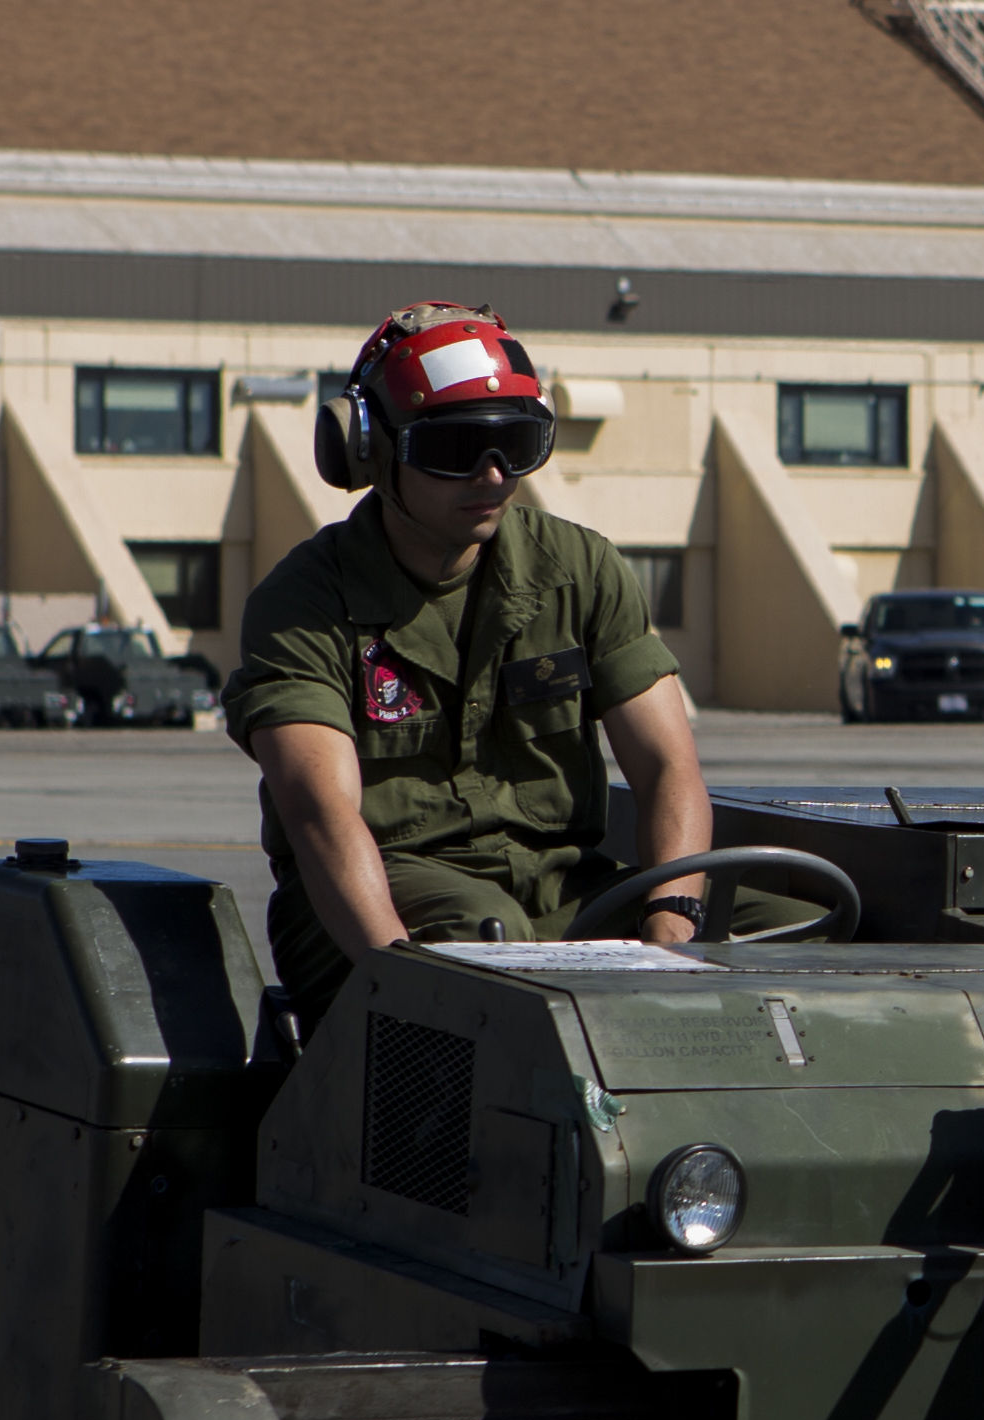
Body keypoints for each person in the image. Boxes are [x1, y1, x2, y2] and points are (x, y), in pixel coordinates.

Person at [224, 302, 713, 1033]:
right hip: (366, 904)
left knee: (788, 917)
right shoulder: (304, 604)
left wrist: (670, 934)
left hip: (560, 890)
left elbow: (669, 766)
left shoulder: (580, 570)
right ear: (371, 448)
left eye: (515, 443)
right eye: (454, 448)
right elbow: (320, 816)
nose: (492, 474)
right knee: (484, 940)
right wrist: (403, 982)